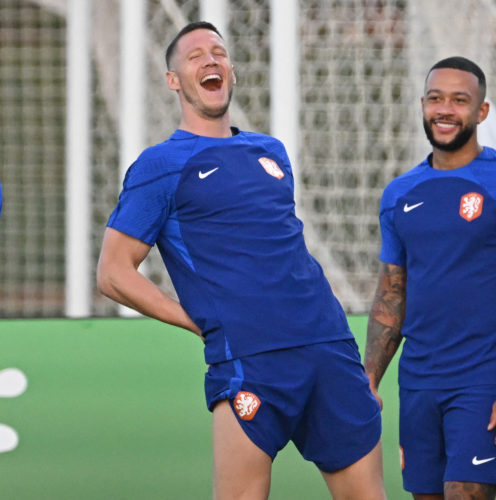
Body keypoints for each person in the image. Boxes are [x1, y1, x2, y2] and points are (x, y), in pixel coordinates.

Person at [97, 21, 386, 500]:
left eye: (218, 52)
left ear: (232, 70)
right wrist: (196, 322)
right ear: (173, 81)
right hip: (250, 360)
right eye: (194, 57)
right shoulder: (160, 165)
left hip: (330, 348)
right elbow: (112, 273)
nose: (210, 61)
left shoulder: (270, 151)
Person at [364, 56, 496, 499]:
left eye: (459, 100)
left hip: (483, 379)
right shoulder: (398, 195)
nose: (444, 109)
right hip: (418, 381)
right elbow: (392, 294)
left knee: (465, 491)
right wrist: (369, 378)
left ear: (481, 112)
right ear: (423, 106)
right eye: (435, 99)